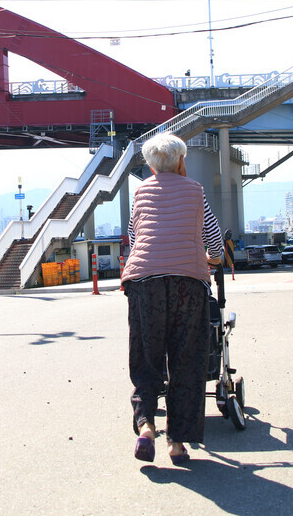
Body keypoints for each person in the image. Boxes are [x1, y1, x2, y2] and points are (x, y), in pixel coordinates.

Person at [122, 132, 224, 465]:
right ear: (180, 160)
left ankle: (146, 426)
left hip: (144, 283)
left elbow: (134, 237)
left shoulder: (139, 193)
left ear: (152, 165)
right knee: (185, 361)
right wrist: (216, 258)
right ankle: (177, 443)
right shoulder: (195, 190)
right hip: (187, 284)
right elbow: (212, 238)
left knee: (146, 358)